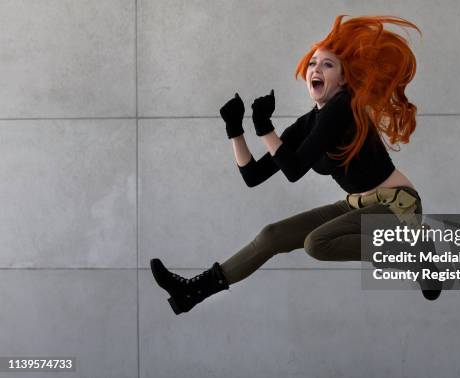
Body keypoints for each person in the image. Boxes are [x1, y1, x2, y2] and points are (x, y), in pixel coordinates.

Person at [151, 15, 442, 315]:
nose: (316, 69)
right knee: (272, 236)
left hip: (398, 207)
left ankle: (413, 254)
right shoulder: (309, 122)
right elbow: (254, 175)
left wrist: (265, 128)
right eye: (313, 63)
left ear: (343, 79)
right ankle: (192, 292)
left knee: (317, 243)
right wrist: (235, 129)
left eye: (327, 65)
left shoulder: (343, 107)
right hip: (357, 205)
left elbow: (293, 170)